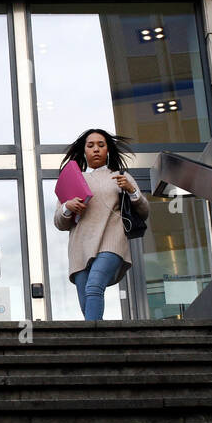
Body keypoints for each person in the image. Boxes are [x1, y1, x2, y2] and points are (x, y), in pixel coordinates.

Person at [53, 128, 150, 321]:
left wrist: (131, 191)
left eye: (101, 145)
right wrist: (67, 207)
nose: (96, 149)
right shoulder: (73, 180)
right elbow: (59, 222)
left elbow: (144, 211)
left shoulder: (121, 177)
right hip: (80, 248)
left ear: (108, 150)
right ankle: (99, 340)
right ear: (84, 151)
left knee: (94, 286)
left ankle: (92, 343)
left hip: (111, 243)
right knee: (85, 301)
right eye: (90, 146)